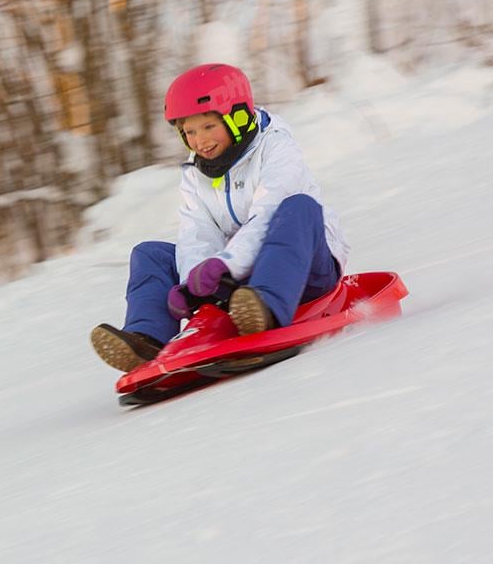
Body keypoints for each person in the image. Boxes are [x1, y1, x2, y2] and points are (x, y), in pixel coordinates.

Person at [91, 63, 349, 372]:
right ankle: (147, 339)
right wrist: (191, 284)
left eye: (208, 126)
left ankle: (265, 310)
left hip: (304, 268)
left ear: (237, 117)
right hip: (237, 281)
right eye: (189, 131)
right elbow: (196, 232)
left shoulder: (276, 148)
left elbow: (266, 217)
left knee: (299, 207)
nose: (200, 141)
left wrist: (225, 265)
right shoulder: (195, 171)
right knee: (150, 254)